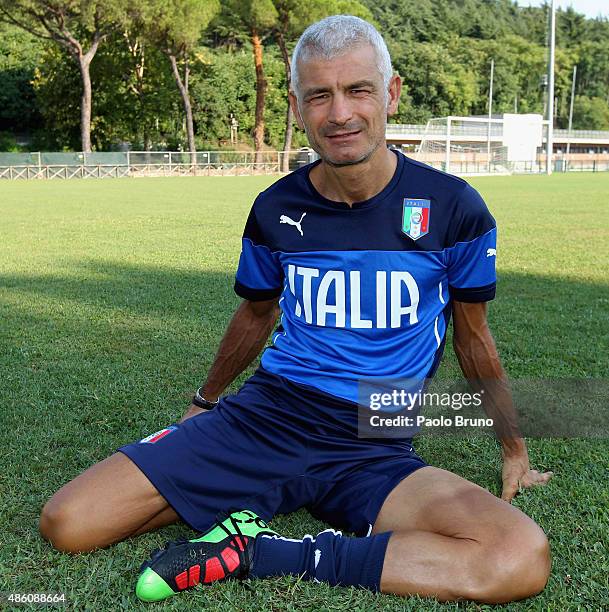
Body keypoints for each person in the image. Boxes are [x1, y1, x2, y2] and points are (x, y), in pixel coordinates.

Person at [39, 15, 553, 604]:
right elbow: (255, 316)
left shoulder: (452, 207)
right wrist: (203, 404)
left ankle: (260, 552)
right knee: (68, 523)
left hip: (373, 438)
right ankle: (256, 485)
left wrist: (514, 447)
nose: (340, 113)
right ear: (296, 105)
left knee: (517, 556)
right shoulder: (276, 207)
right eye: (319, 95)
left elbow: (473, 340)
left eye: (358, 89)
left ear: (391, 93)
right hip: (268, 416)